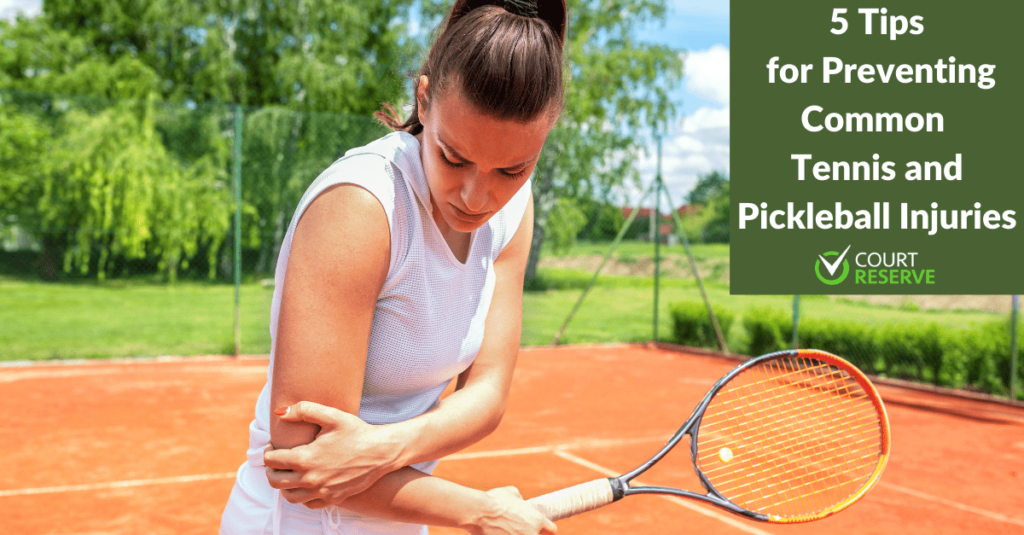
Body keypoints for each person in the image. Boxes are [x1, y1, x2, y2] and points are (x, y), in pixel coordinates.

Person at [219, 0, 567, 533]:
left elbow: (488, 392)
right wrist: (480, 510)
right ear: (424, 101)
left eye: (513, 169)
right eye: (454, 157)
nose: (479, 195)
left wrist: (384, 446)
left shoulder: (513, 211)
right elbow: (303, 463)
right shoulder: (361, 206)